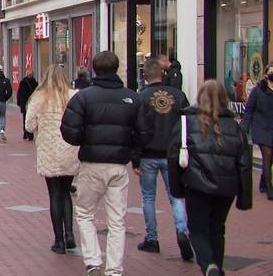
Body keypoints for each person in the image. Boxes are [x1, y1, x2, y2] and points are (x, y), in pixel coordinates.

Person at [60, 51, 152, 276]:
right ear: (116, 68)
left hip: (91, 163)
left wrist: (85, 139)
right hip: (118, 165)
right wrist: (130, 149)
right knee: (117, 220)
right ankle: (114, 269)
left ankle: (92, 261)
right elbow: (144, 133)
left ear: (94, 69)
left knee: (84, 213)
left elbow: (69, 130)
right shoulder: (132, 97)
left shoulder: (83, 97)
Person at [168, 80, 253, 276]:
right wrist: (244, 196)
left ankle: (208, 265)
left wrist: (177, 189)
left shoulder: (187, 123)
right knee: (217, 227)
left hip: (196, 185)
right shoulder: (234, 126)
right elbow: (244, 163)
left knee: (198, 228)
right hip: (226, 187)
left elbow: (173, 157)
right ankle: (217, 266)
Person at [131, 59, 193, 259]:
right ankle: (182, 231)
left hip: (149, 153)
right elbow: (187, 124)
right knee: (176, 195)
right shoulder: (178, 96)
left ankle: (152, 238)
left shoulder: (140, 98)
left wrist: (135, 157)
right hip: (172, 153)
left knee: (148, 197)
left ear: (145, 76)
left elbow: (136, 129)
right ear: (162, 74)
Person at [25, 64, 78, 255]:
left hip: (49, 149)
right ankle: (70, 234)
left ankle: (58, 241)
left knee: (54, 194)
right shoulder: (73, 96)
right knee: (66, 192)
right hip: (69, 149)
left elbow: (29, 126)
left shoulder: (39, 97)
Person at [241, 62, 273, 201]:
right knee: (267, 155)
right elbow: (249, 109)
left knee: (271, 159)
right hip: (261, 128)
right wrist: (244, 128)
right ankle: (269, 188)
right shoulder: (258, 90)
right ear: (266, 74)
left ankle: (262, 181)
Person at [17, 71, 38, 140]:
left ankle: (28, 133)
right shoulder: (33, 83)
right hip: (29, 103)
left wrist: (19, 102)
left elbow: (19, 93)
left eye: (30, 75)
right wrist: (19, 102)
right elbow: (19, 93)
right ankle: (27, 133)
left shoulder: (33, 83)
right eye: (29, 75)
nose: (30, 76)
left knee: (27, 118)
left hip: (28, 103)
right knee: (28, 118)